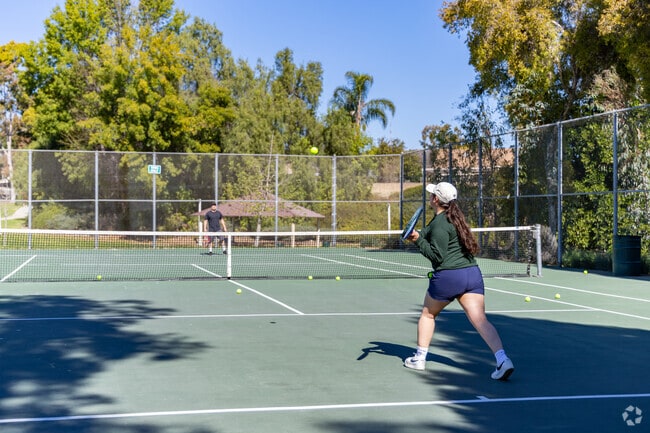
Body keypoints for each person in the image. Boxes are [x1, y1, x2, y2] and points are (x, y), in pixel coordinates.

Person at [404, 182, 514, 380]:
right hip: (471, 275)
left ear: (436, 199)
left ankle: (419, 358)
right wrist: (417, 234)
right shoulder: (454, 218)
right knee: (480, 320)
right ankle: (503, 359)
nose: (429, 197)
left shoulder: (439, 223)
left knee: (428, 315)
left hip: (448, 276)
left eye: (432, 195)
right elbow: (429, 232)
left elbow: (437, 256)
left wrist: (418, 241)